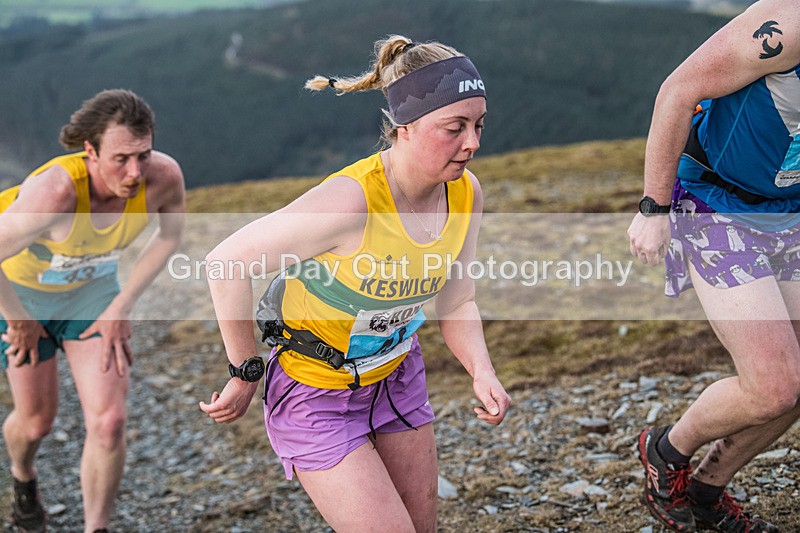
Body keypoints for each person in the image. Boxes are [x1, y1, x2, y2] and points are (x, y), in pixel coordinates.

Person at [199, 35, 511, 532]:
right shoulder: (350, 202)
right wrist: (245, 369)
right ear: (404, 127)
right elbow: (225, 263)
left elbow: (459, 300)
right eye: (454, 127)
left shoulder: (465, 192)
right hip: (315, 391)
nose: (472, 143)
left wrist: (481, 371)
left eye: (479, 125)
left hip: (396, 379)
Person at [628, 1, 800, 531]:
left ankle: (704, 491)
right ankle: (667, 450)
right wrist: (653, 208)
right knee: (774, 386)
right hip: (716, 203)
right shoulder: (788, 25)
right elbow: (678, 91)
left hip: (787, 211)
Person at [0, 89, 186, 533]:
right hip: (23, 296)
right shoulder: (55, 192)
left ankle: (96, 527)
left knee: (110, 421)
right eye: (121, 158)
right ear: (90, 150)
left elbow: (169, 237)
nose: (135, 171)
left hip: (94, 295)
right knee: (36, 422)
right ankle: (23, 479)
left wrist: (123, 304)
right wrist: (17, 319)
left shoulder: (164, 176)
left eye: (143, 154)